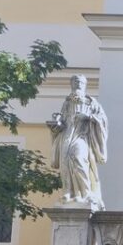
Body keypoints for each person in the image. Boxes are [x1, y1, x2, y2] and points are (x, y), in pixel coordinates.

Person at [46, 74, 108, 210]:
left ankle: (85, 193)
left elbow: (102, 120)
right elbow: (62, 120)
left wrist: (88, 117)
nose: (78, 85)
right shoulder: (67, 103)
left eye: (80, 83)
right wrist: (57, 123)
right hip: (67, 134)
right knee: (65, 162)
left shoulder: (91, 102)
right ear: (72, 85)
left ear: (84, 86)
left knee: (79, 159)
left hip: (82, 136)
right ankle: (68, 193)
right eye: (75, 83)